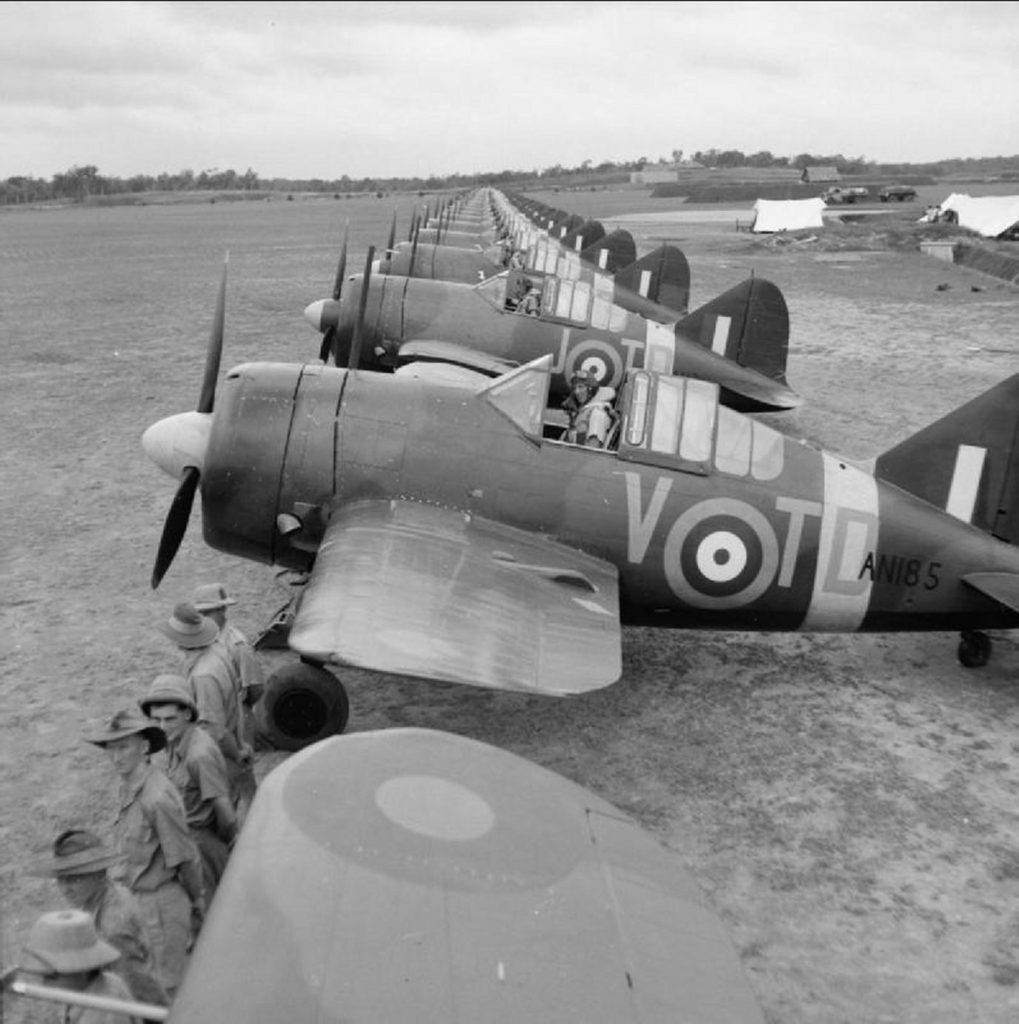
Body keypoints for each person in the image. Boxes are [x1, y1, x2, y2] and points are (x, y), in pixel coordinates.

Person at [84, 708, 204, 999]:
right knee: (135, 989)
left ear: (145, 747)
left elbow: (186, 859)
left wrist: (197, 902)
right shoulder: (129, 786)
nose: (116, 757)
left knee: (163, 994)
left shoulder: (158, 797)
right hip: (135, 902)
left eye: (123, 747)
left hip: (159, 908)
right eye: (110, 749)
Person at [26, 830, 166, 1006]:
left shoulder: (112, 925)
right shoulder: (104, 897)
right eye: (61, 879)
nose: (65, 888)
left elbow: (137, 988)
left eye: (75, 879)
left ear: (99, 874)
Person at [140, 674, 236, 901]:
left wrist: (216, 846)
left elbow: (228, 817)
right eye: (157, 720)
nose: (162, 727)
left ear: (187, 714)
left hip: (201, 844)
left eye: (170, 719)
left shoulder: (199, 755)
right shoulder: (174, 741)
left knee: (207, 908)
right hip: (182, 837)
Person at [158, 601, 253, 811]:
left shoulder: (203, 676)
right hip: (230, 746)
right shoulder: (217, 652)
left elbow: (216, 731)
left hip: (218, 759)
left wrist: (237, 754)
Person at [18, 909, 142, 1023]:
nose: (44, 985)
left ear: (82, 969)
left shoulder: (100, 1013)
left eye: (52, 977)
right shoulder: (102, 984)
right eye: (43, 976)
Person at [562, 370, 617, 448]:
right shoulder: (584, 410)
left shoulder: (598, 413)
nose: (576, 392)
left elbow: (593, 448)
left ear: (591, 388)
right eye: (574, 388)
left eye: (581, 387)